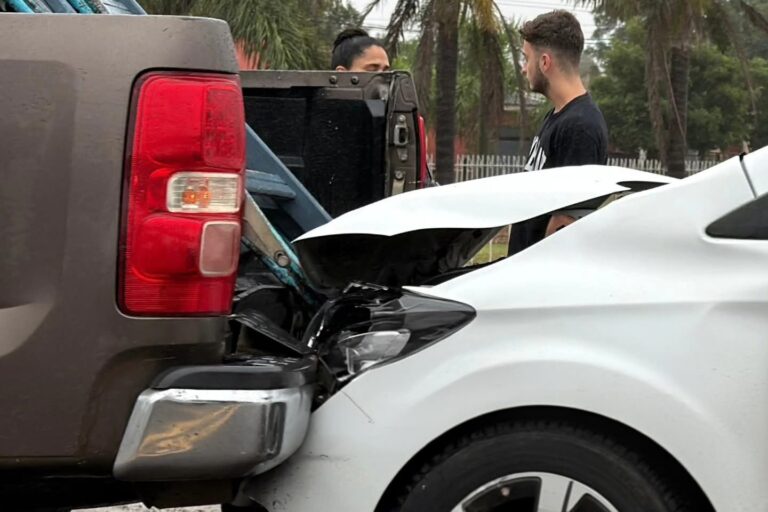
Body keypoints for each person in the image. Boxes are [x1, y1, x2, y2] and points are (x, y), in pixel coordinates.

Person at [508, 9, 609, 255]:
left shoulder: (581, 127)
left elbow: (566, 224)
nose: (524, 69)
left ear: (544, 62)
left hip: (539, 283)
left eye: (526, 59)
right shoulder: (558, 116)